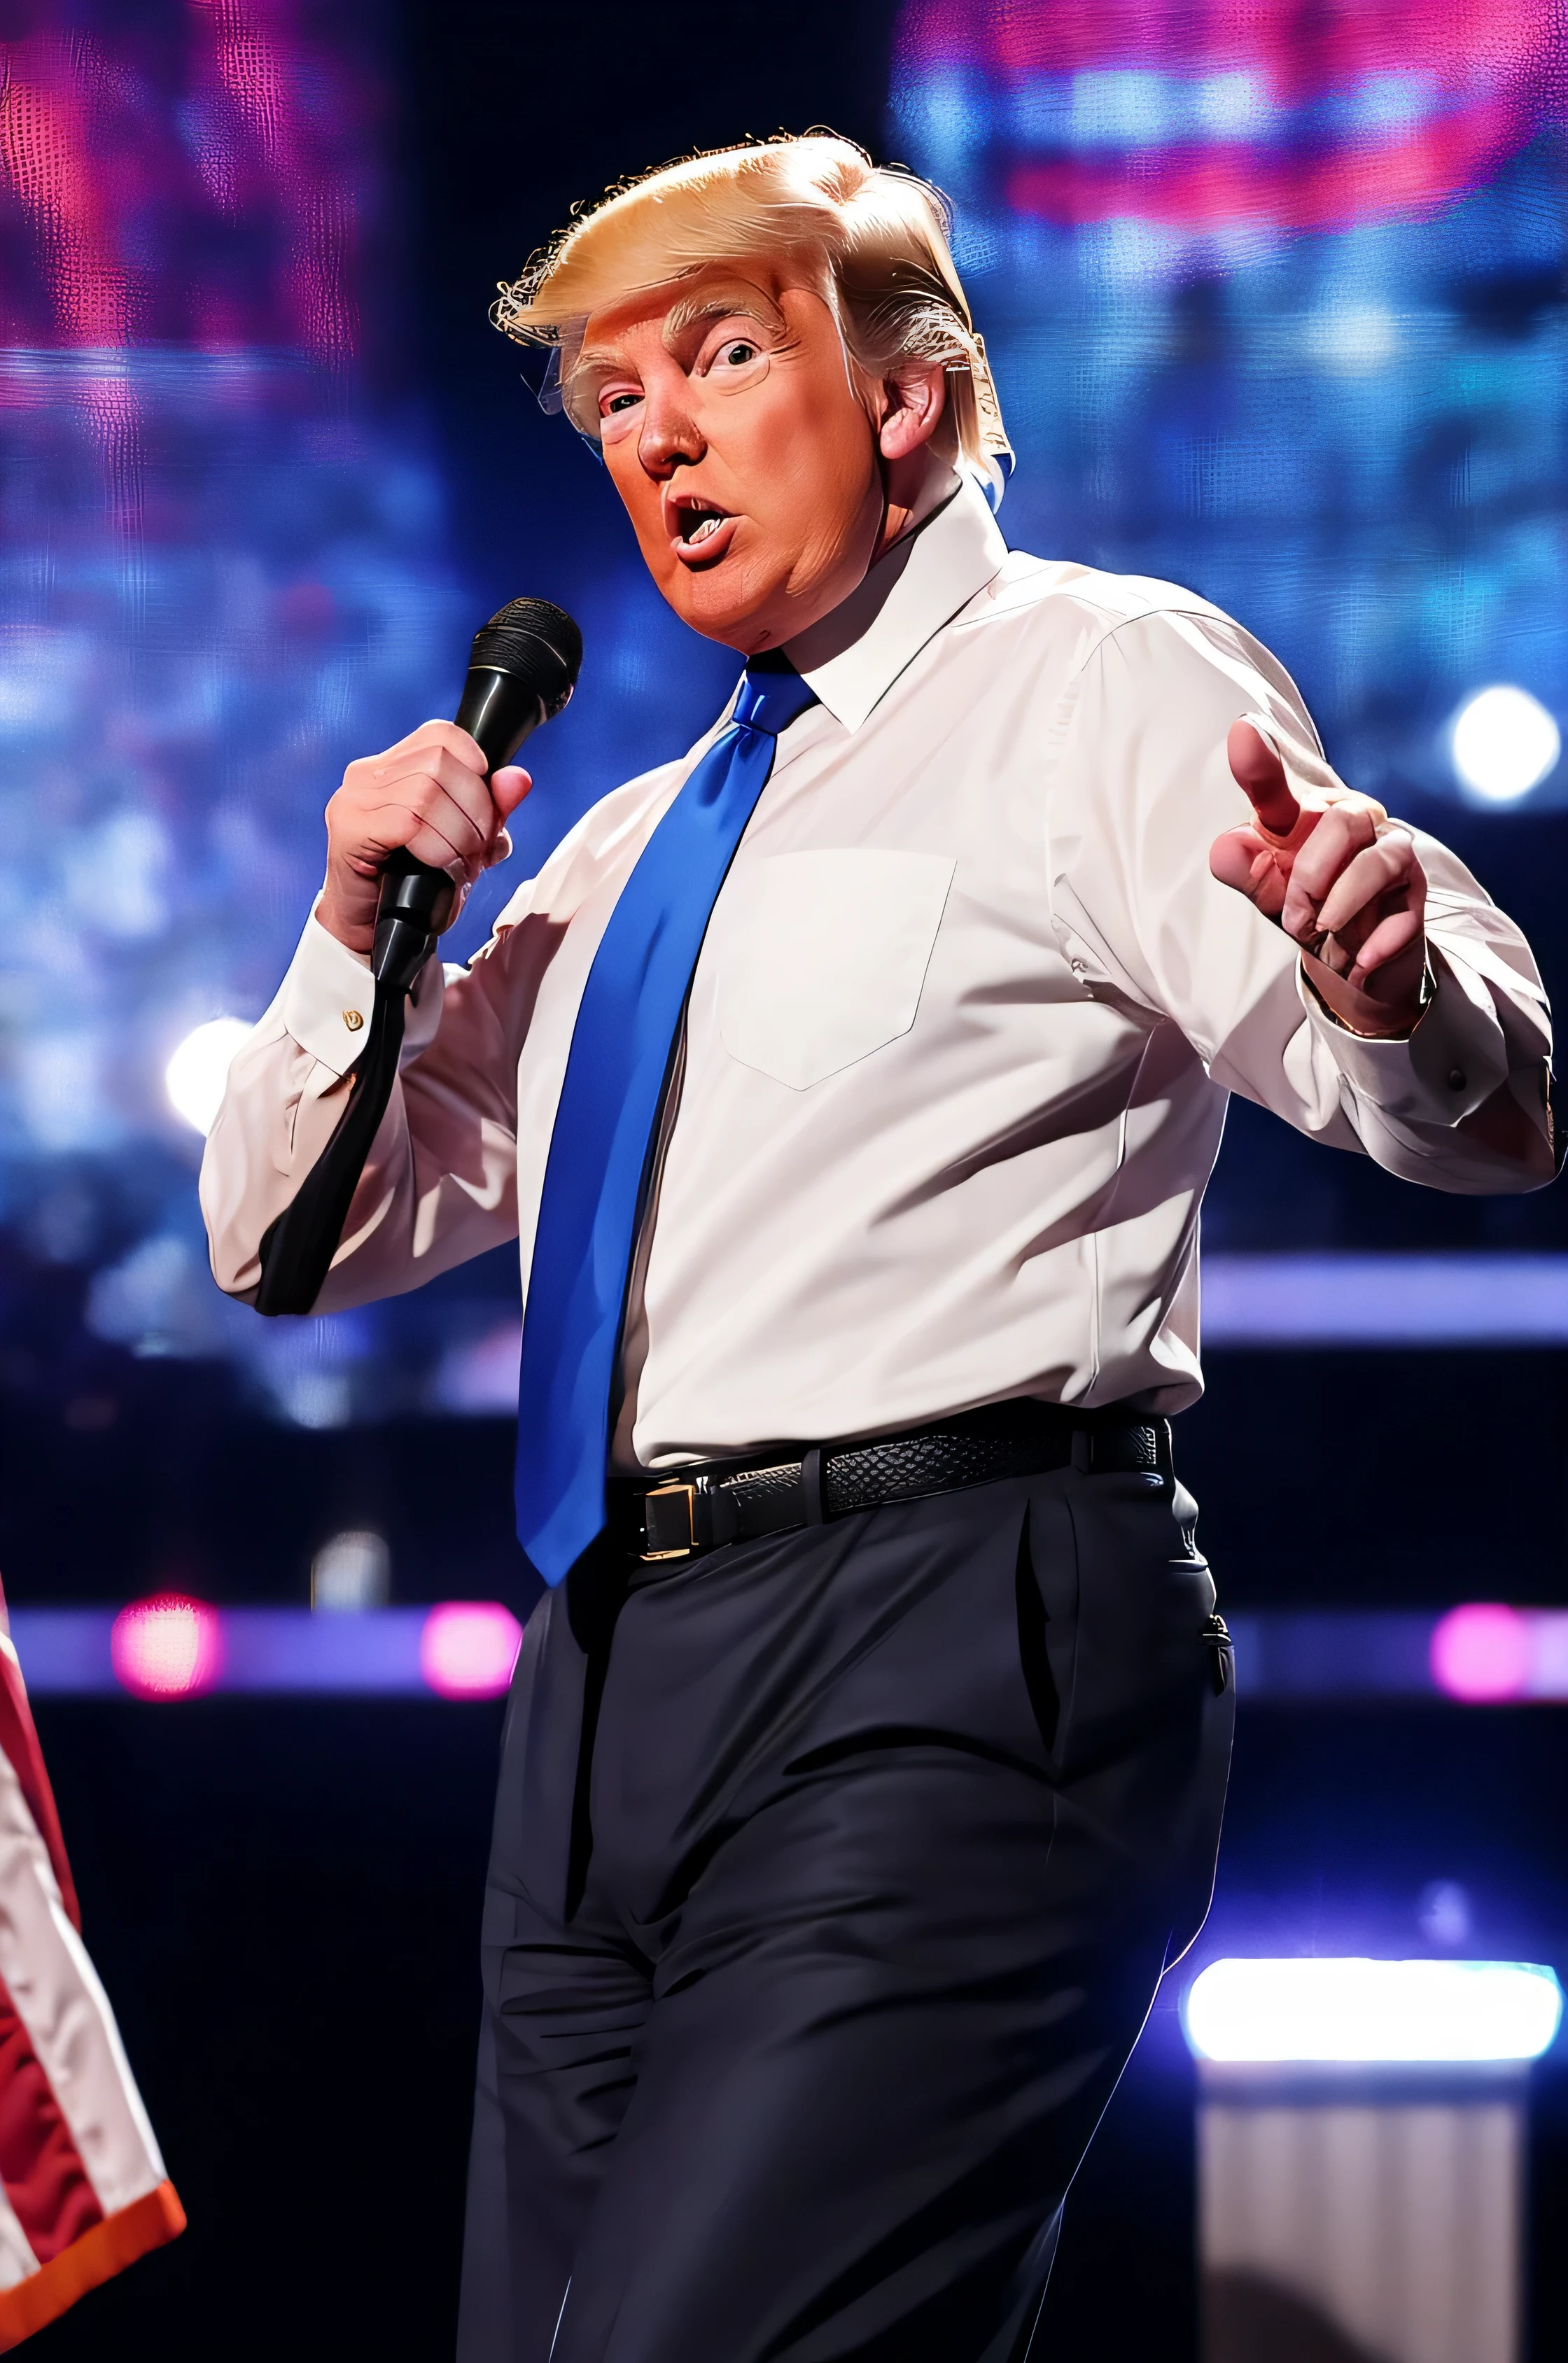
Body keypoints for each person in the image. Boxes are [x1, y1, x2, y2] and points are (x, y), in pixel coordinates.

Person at [200, 134, 1554, 2363]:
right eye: (615, 399)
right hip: (603, 1693)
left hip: (945, 1648)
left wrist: (1390, 985)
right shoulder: (627, 851)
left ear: (907, 398)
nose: (657, 435)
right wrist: (355, 941)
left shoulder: (1096, 679)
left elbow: (1485, 1116)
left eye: (720, 358)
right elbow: (280, 1239)